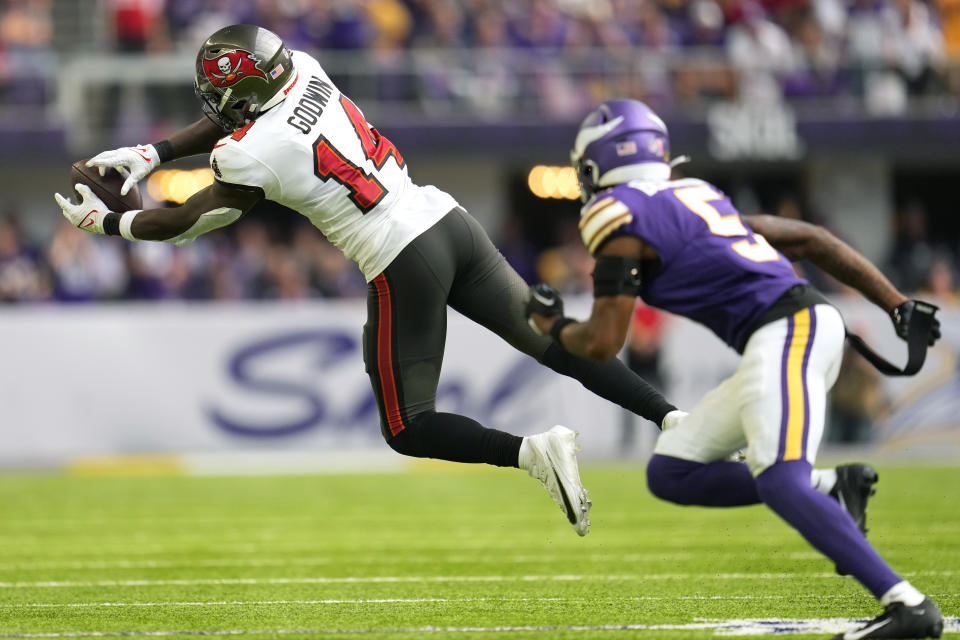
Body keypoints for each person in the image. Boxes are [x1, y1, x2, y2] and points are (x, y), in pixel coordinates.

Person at [54, 24, 689, 537]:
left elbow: (193, 218)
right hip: (446, 218)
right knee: (557, 339)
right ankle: (674, 418)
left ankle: (532, 452)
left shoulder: (248, 154)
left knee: (407, 424)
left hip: (399, 255)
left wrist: (112, 223)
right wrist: (153, 154)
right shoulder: (303, 68)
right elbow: (239, 116)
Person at [526, 99, 944, 639]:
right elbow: (814, 240)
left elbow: (604, 341)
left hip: (789, 330)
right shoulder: (696, 196)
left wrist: (553, 326)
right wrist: (895, 303)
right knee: (672, 470)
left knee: (779, 479)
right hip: (790, 330)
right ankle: (831, 487)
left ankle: (907, 605)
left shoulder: (619, 214)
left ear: (599, 163)